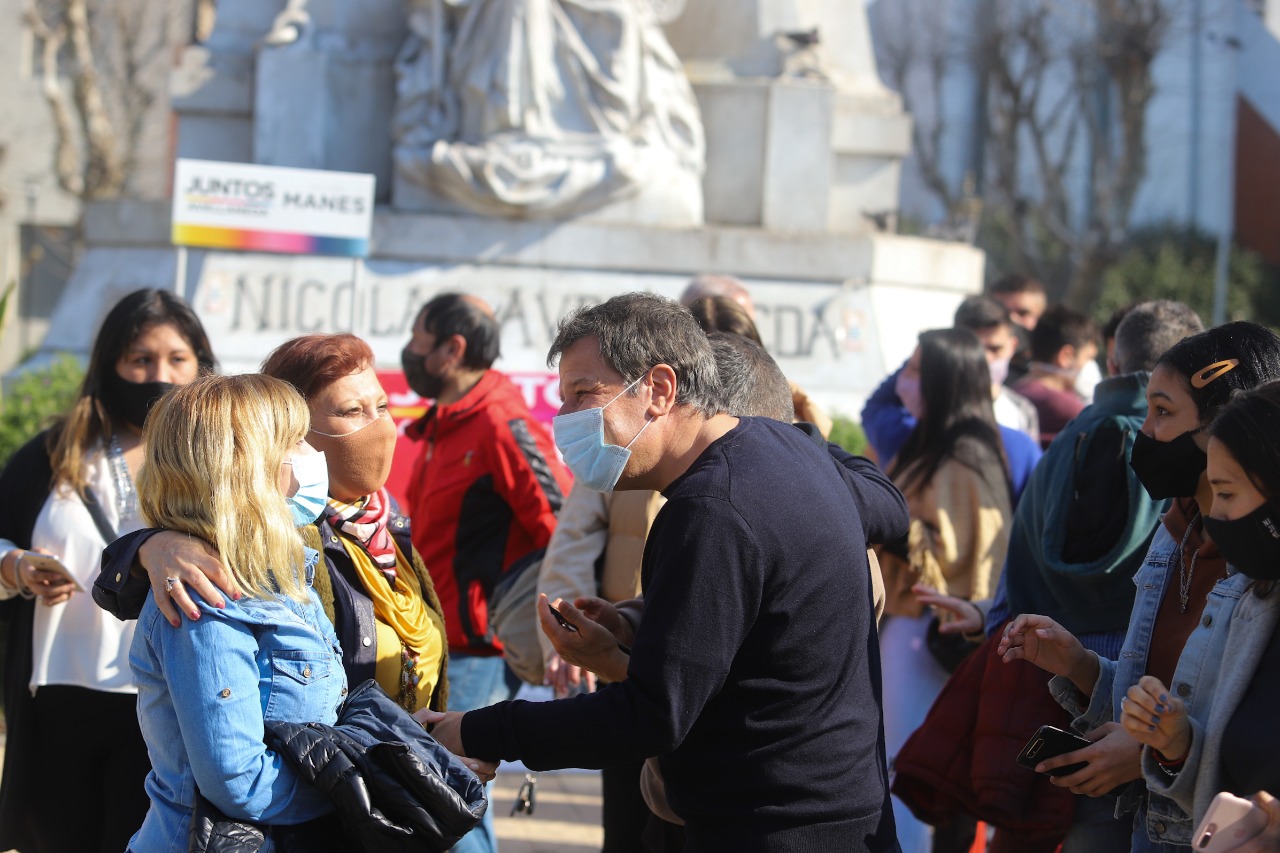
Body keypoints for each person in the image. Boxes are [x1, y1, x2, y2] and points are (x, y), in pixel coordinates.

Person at [420, 293, 903, 851]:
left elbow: (651, 715)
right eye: (562, 398)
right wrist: (636, 622)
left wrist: (477, 730)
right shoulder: (779, 451)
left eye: (584, 393)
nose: (565, 420)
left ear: (659, 389)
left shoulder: (711, 510)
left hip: (776, 830)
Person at [924, 301, 1204, 852]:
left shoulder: (1076, 431)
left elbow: (1025, 565)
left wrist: (991, 616)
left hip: (1061, 697)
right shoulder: (1169, 457)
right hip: (1136, 717)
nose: (1150, 429)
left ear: (1114, 359)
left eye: (1164, 413)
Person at [998, 322, 1280, 851]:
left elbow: (1247, 741)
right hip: (1152, 826)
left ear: (1226, 421)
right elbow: (1158, 700)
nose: (1146, 430)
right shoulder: (1174, 532)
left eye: (1164, 412)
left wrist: (1155, 751)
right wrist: (1081, 665)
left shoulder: (1259, 561)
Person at [98, 334, 453, 717]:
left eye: (382, 406)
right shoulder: (274, 537)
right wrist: (152, 547)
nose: (379, 426)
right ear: (281, 431)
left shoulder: (385, 521)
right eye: (352, 410)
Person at [0, 288, 215, 853]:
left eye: (177, 359)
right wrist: (15, 566)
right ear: (110, 365)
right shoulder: (52, 456)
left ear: (201, 366)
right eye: (140, 359)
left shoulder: (221, 464)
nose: (159, 375)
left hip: (173, 699)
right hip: (61, 694)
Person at [126, 374, 348, 850]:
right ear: (247, 469)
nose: (312, 454)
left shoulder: (281, 575)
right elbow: (240, 783)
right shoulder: (205, 597)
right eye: (295, 441)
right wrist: (366, 790)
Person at [402, 293, 571, 852]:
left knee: (451, 799)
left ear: (452, 349)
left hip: (480, 650)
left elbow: (561, 523)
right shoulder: (443, 424)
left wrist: (564, 629)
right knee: (444, 799)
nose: (409, 351)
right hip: (439, 641)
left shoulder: (499, 422)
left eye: (418, 339)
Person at [1119, 380, 1280, 842]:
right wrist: (1178, 745)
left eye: (1225, 494)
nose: (1216, 516)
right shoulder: (1258, 603)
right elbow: (1229, 784)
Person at [875, 327, 1014, 853]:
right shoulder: (934, 443)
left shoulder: (963, 456)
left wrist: (889, 522)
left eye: (915, 371)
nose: (903, 382)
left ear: (942, 381)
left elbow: (963, 557)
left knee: (905, 767)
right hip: (912, 626)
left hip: (930, 631)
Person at [860, 325, 1042, 502]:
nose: (903, 376)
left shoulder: (903, 435)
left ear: (944, 382)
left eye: (913, 369)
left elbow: (877, 404)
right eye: (906, 367)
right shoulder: (1019, 446)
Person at [953, 295, 1040, 443]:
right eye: (975, 348)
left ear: (1012, 346)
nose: (985, 358)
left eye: (995, 349)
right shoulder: (928, 404)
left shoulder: (1022, 411)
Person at [1013, 304, 1098, 448]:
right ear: (1066, 356)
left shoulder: (1015, 390)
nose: (1090, 366)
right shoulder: (1069, 409)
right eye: (1088, 358)